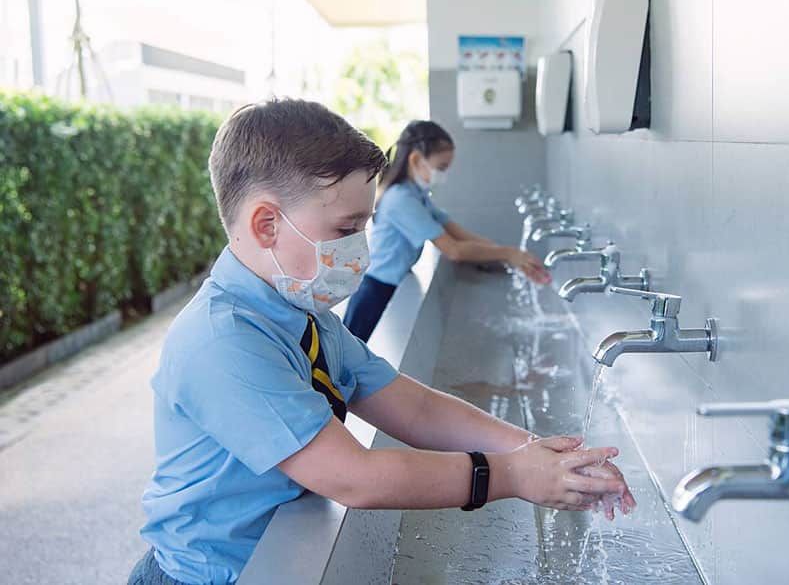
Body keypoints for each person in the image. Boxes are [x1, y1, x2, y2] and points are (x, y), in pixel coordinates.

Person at [128, 100, 634, 585]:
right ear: (266, 224)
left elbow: (411, 407)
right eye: (346, 229)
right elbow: (354, 477)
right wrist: (513, 476)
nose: (360, 253)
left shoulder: (302, 315)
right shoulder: (225, 341)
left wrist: (533, 451)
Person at [343, 120, 550, 342]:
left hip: (392, 283)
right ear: (415, 159)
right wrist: (508, 254)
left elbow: (458, 233)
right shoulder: (401, 200)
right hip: (375, 288)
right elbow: (454, 250)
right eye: (441, 167)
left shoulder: (416, 195)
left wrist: (513, 256)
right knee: (348, 355)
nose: (443, 175)